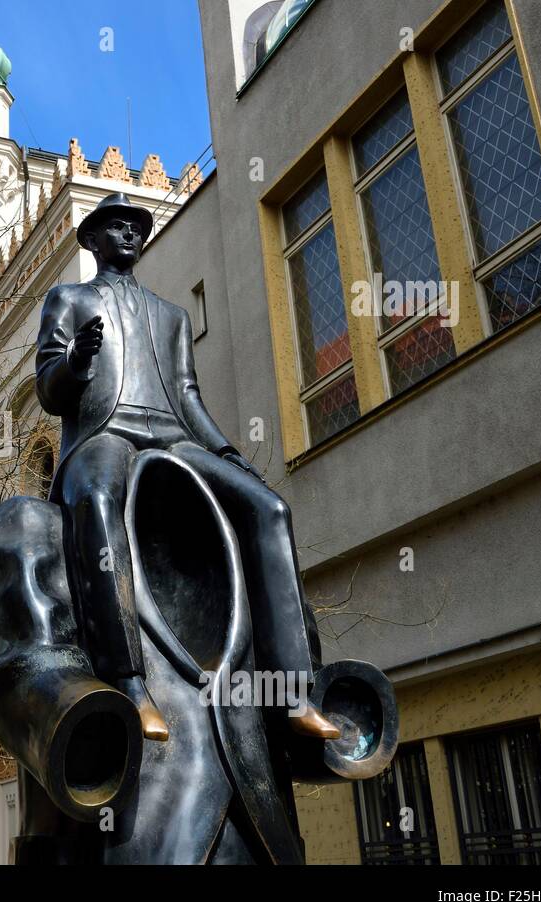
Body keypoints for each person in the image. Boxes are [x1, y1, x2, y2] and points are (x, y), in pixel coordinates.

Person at [35, 192, 338, 742]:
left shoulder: (170, 315)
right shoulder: (68, 300)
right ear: (92, 239)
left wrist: (226, 453)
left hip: (172, 437)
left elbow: (190, 397)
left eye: (136, 227)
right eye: (116, 226)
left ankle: (293, 692)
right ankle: (128, 682)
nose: (129, 234)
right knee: (96, 500)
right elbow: (49, 393)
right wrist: (76, 361)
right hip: (104, 435)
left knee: (268, 507)